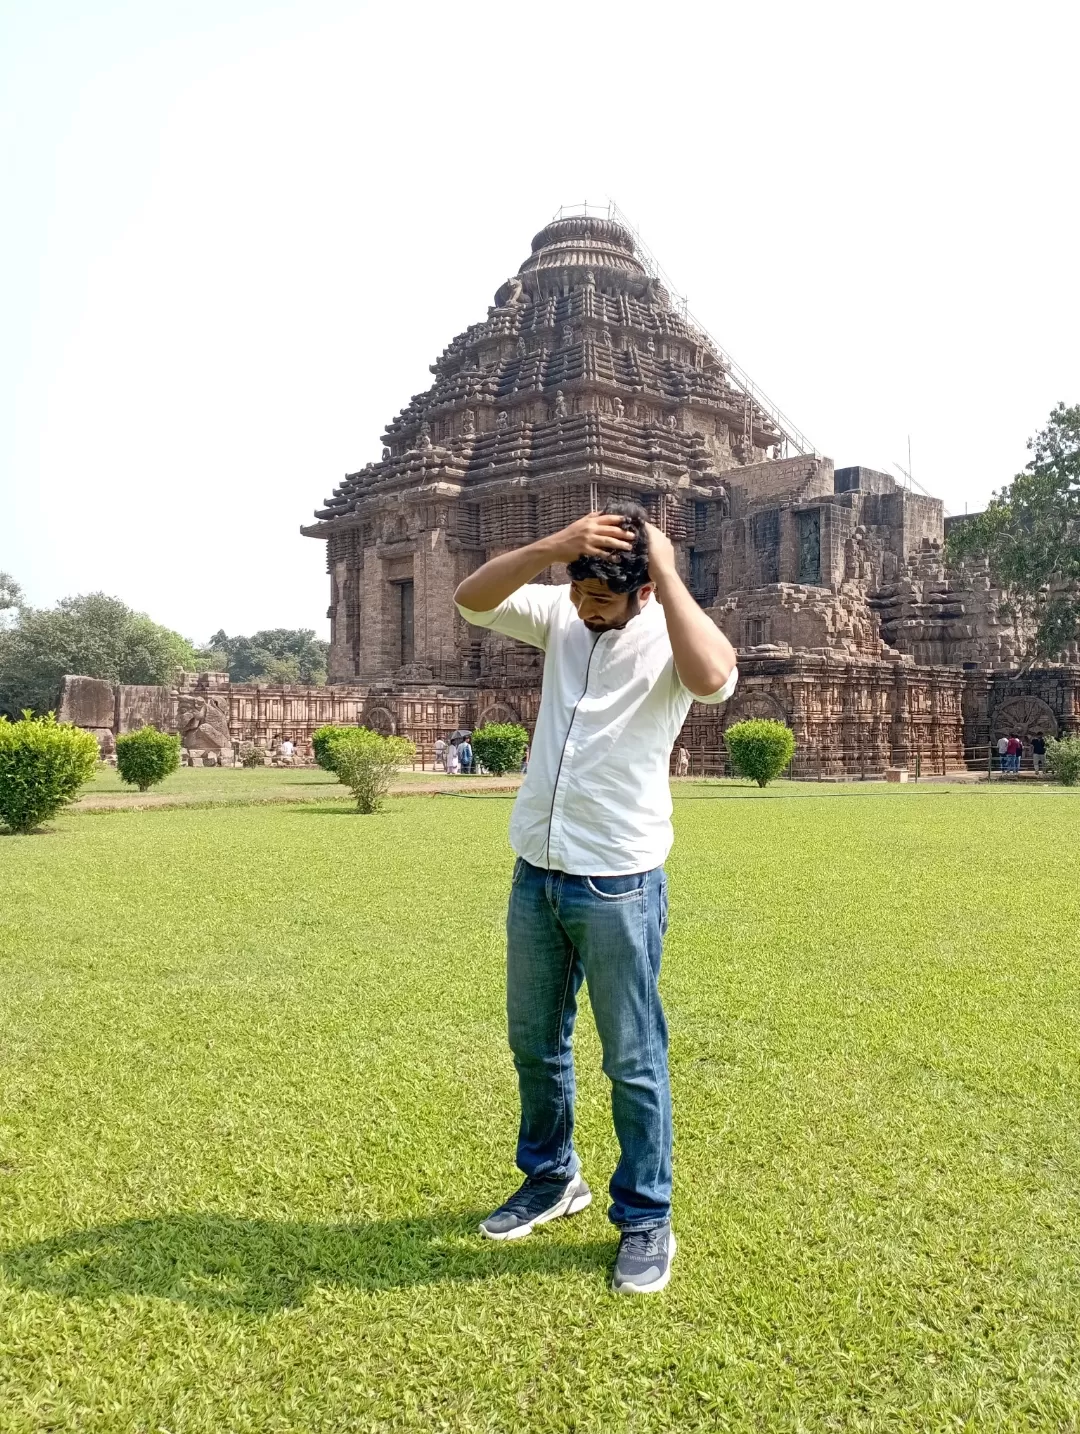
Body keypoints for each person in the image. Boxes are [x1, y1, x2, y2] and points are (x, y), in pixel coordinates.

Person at [454, 500, 737, 1295]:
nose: (585, 611)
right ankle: (552, 1178)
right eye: (579, 594)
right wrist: (554, 544)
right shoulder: (563, 616)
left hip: (618, 879)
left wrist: (670, 572)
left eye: (603, 600)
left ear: (642, 593)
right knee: (534, 1043)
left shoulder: (671, 633)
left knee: (633, 1058)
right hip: (537, 869)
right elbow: (471, 599)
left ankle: (647, 1217)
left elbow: (714, 680)